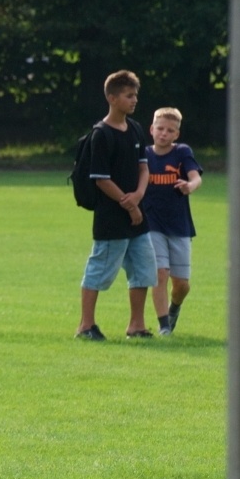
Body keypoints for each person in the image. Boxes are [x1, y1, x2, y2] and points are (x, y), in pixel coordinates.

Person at [75, 70, 157, 340]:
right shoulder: (102, 134)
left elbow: (143, 167)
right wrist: (130, 204)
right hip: (112, 217)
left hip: (136, 215)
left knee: (144, 268)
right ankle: (86, 325)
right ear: (112, 98)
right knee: (100, 269)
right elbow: (100, 180)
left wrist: (139, 196)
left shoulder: (134, 128)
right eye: (128, 95)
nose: (134, 100)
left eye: (136, 95)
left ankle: (137, 325)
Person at [141, 107, 203, 335]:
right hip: (152, 224)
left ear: (176, 134)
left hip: (179, 226)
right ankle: (164, 326)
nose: (164, 134)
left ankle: (174, 307)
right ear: (152, 129)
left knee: (181, 284)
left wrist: (189, 186)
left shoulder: (182, 152)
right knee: (160, 273)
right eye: (160, 128)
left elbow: (196, 178)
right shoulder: (144, 155)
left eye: (170, 130)